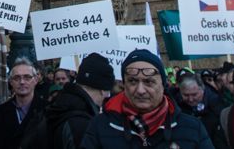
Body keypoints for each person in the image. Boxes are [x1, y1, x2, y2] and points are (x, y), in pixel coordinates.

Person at [82, 49, 213, 148]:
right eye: (132, 81)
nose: (140, 90)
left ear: (163, 85)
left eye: (149, 82)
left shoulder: (192, 127)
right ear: (124, 84)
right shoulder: (100, 126)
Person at [45, 52, 114, 149]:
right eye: (107, 92)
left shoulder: (60, 103)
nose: (107, 96)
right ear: (103, 90)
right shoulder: (83, 124)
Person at [0, 58, 45, 149]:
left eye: (27, 77)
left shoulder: (47, 110)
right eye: (17, 78)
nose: (22, 82)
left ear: (36, 80)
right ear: (11, 81)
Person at [177, 74, 224, 147]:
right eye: (186, 95)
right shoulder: (177, 106)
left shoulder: (216, 105)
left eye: (194, 94)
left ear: (202, 89)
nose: (190, 99)